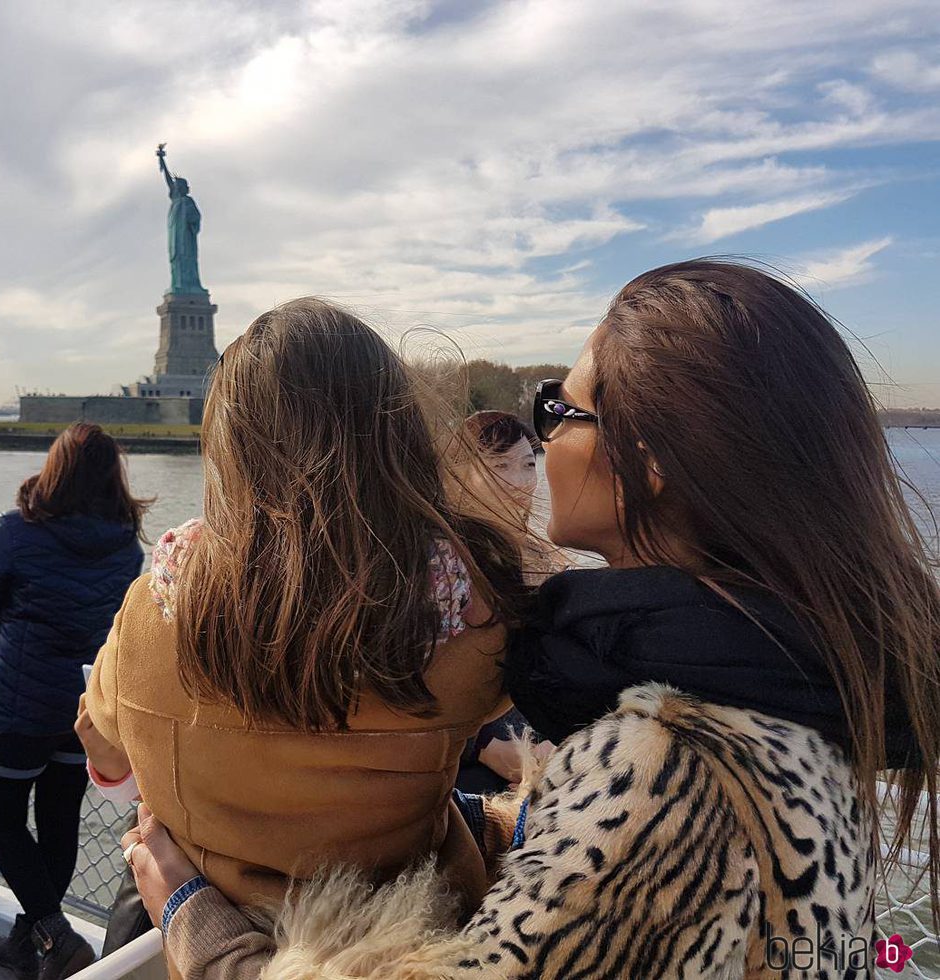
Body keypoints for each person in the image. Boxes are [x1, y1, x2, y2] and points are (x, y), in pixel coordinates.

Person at [124, 260, 940, 979]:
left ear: (649, 463)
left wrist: (194, 916)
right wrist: (504, 827)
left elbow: (639, 851)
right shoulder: (793, 680)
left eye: (561, 407)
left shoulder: (666, 770)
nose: (543, 438)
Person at [77, 299, 525, 970]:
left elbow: (104, 750)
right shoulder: (469, 618)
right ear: (394, 434)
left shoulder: (150, 612)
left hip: (210, 942)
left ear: (228, 445)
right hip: (422, 944)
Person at [0, 423, 146, 980]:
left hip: (17, 708)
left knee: (0, 816)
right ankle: (32, 938)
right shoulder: (125, 544)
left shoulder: (17, 531)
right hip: (82, 710)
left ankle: (51, 933)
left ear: (54, 468)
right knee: (61, 819)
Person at [453, 411, 557, 794]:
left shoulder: (542, 555)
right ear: (460, 475)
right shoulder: (445, 564)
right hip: (472, 754)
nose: (520, 482)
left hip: (535, 735)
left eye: (528, 465)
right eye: (500, 465)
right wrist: (481, 747)